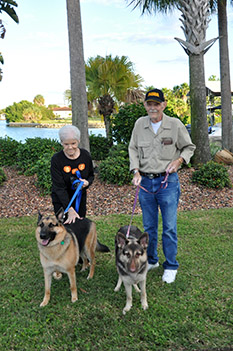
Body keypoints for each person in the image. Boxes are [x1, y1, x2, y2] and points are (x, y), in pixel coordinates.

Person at [129, 88, 196, 283]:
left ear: (163, 105)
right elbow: (132, 148)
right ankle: (152, 260)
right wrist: (135, 171)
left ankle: (171, 265)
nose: (152, 107)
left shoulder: (174, 124)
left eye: (156, 104)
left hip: (168, 183)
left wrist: (179, 161)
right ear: (145, 105)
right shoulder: (139, 124)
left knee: (169, 227)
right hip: (145, 183)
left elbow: (188, 147)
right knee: (149, 227)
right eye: (149, 104)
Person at [51, 125, 94, 224]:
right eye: (66, 144)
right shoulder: (56, 159)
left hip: (80, 198)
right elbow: (59, 187)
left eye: (73, 143)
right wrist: (69, 209)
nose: (70, 147)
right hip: (61, 199)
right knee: (64, 228)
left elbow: (91, 176)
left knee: (79, 226)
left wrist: (87, 183)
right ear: (61, 142)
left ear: (78, 140)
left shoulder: (85, 156)